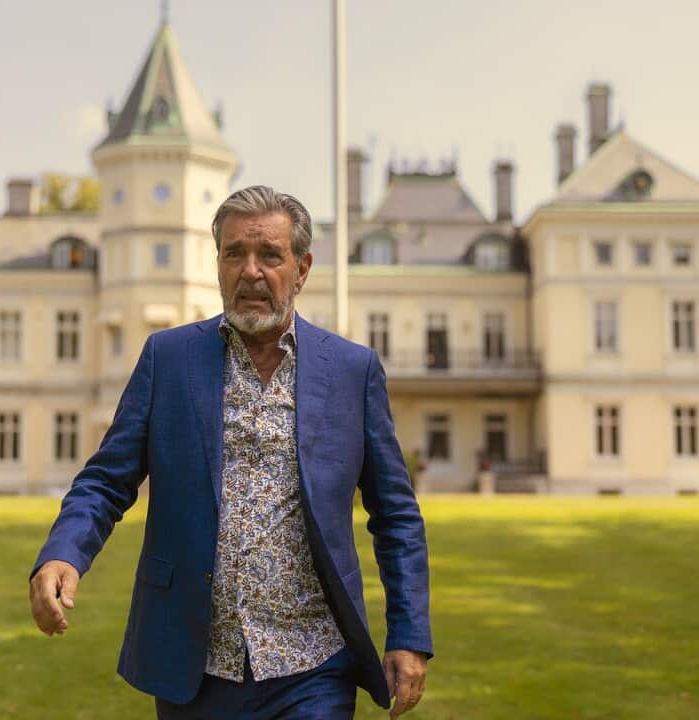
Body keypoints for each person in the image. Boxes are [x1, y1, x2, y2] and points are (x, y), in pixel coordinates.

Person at [29, 185, 432, 719]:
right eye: (234, 253)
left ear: (302, 269)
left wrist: (407, 633)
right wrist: (64, 553)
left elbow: (396, 514)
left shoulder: (352, 373)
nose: (251, 272)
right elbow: (107, 480)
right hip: (193, 667)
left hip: (314, 666)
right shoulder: (168, 359)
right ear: (217, 264)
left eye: (270, 255)